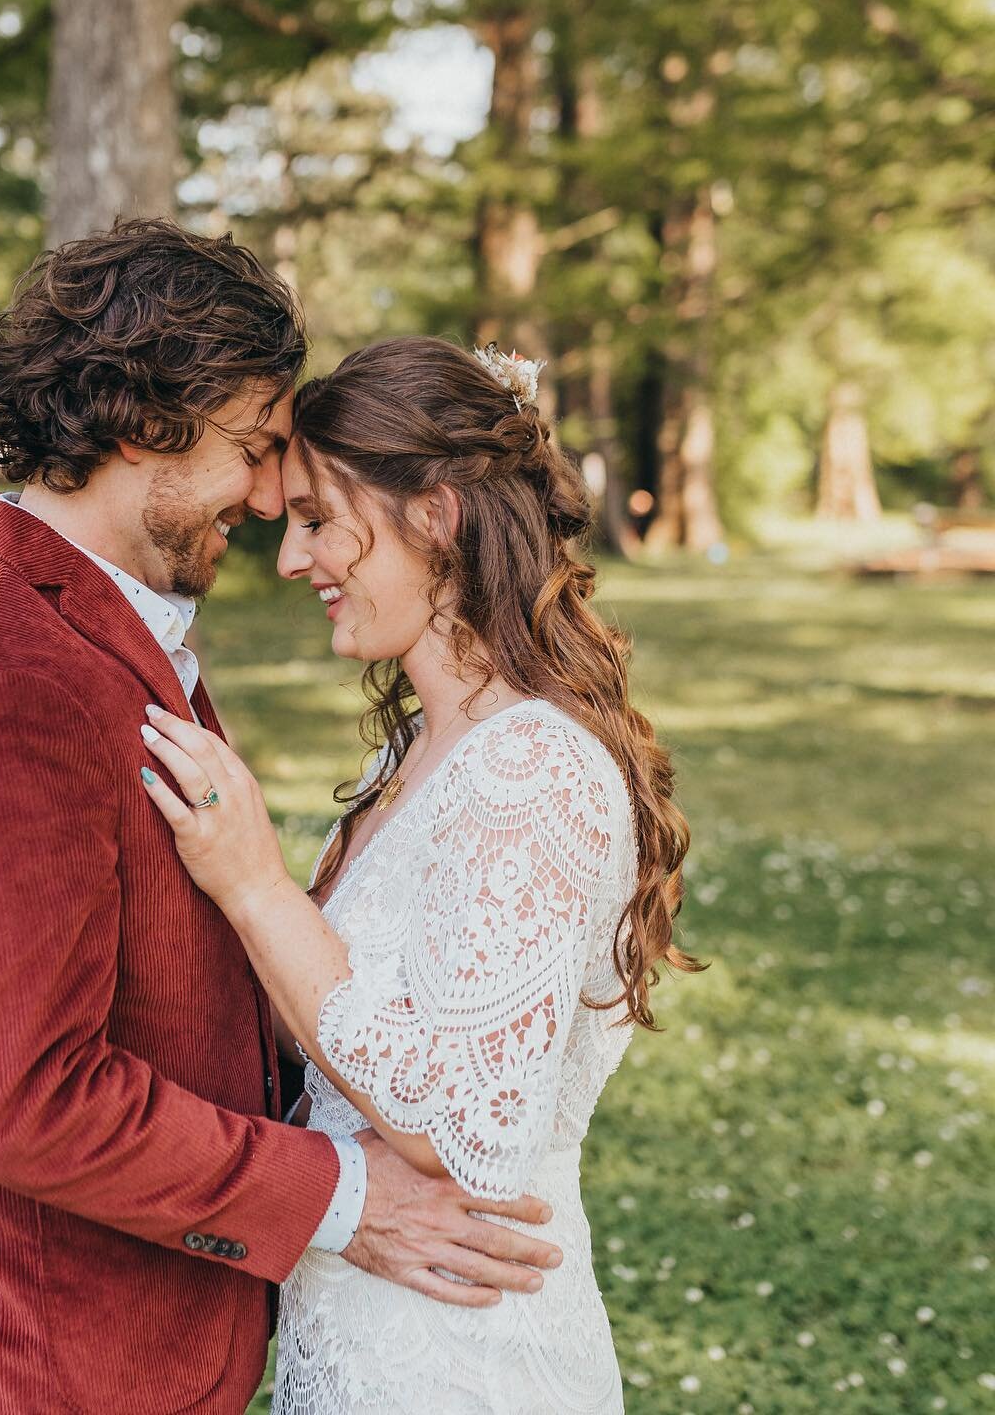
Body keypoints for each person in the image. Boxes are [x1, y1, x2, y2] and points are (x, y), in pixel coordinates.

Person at [0, 226, 560, 1415]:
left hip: (146, 1353)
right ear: (145, 422)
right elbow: (28, 1104)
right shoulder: (5, 684)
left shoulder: (108, 630)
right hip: (37, 1366)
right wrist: (343, 1195)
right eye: (256, 447)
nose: (278, 492)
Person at [139, 334, 699, 1414]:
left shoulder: (533, 765)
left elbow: (465, 1131)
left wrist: (255, 887)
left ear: (435, 513)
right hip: (362, 1342)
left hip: (465, 1362)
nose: (292, 559)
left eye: (314, 518)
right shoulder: (418, 756)